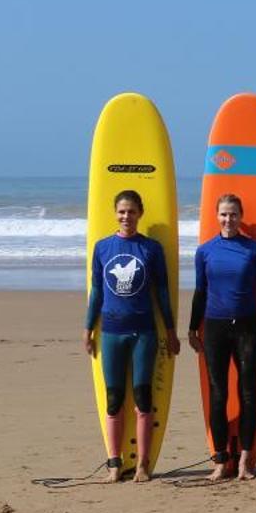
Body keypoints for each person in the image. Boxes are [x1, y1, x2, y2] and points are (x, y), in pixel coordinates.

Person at [187, 193, 256, 482]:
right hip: (215, 328)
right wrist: (192, 329)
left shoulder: (254, 250)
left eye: (233, 215)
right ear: (216, 217)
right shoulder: (204, 252)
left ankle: (245, 460)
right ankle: (220, 460)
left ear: (240, 217)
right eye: (223, 215)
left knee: (248, 392)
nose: (228, 220)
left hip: (247, 328)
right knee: (218, 395)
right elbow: (200, 292)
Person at [83, 189, 179, 483]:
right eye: (122, 211)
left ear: (140, 213)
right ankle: (114, 463)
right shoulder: (102, 248)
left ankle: (142, 465)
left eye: (132, 211)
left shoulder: (150, 249)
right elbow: (97, 291)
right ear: (115, 213)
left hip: (144, 333)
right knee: (114, 400)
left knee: (142, 398)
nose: (126, 216)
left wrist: (171, 330)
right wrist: (88, 329)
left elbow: (162, 292)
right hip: (111, 332)